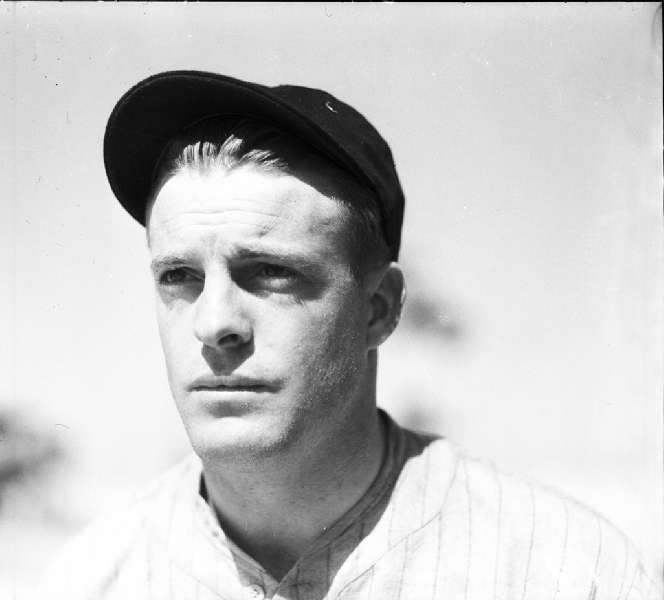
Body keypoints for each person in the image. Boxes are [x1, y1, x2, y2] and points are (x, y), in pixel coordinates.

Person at [41, 71, 661, 599]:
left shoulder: (563, 571)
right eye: (179, 276)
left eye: (271, 272)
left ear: (379, 309)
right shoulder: (90, 580)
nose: (214, 322)